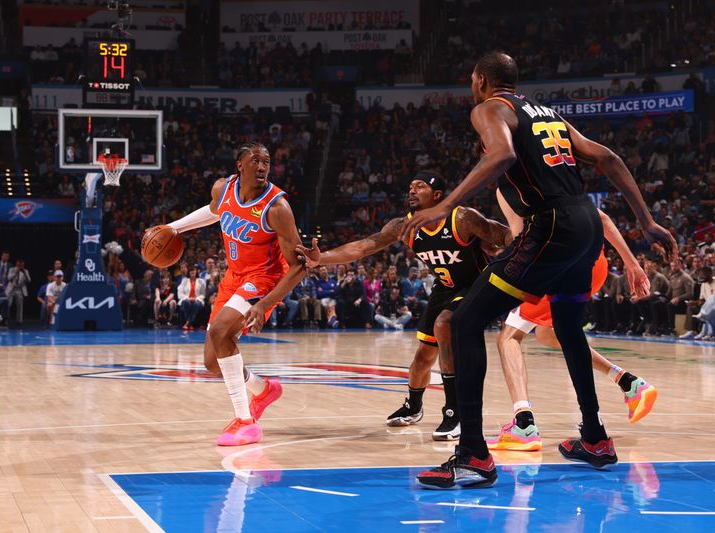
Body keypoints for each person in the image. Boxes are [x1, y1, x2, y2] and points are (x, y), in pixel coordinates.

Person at [402, 52, 676, 489]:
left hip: (550, 226)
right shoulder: (547, 113)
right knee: (567, 327)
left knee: (464, 320)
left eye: (472, 80)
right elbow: (607, 158)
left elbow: (502, 156)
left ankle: (473, 454)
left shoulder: (490, 108)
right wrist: (646, 221)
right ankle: (595, 438)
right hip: (586, 224)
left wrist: (445, 202)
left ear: (481, 80)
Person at [295, 172, 510, 440]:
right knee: (423, 357)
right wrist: (321, 259)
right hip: (444, 288)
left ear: (437, 195)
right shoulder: (405, 226)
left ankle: (455, 413)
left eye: (420, 186)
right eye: (410, 186)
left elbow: (504, 235)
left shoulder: (462, 218)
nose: (412, 190)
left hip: (475, 285)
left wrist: (511, 256)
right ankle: (414, 406)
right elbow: (364, 247)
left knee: (444, 325)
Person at [488, 192, 658, 452]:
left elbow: (520, 236)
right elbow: (601, 218)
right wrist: (631, 263)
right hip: (593, 263)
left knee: (509, 336)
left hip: (557, 264)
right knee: (549, 334)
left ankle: (524, 425)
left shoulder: (509, 182)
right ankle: (630, 383)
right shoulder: (554, 169)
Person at [165, 142, 305, 446]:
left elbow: (299, 266)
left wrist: (267, 302)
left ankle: (245, 423)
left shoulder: (277, 207)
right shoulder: (223, 189)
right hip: (234, 276)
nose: (262, 166)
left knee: (220, 330)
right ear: (239, 165)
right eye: (255, 160)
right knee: (212, 362)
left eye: (266, 161)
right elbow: (215, 211)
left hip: (265, 278)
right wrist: (173, 228)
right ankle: (263, 389)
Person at [178, 264, 206, 330]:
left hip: (198, 300)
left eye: (194, 271)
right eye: (191, 271)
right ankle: (190, 324)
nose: (192, 272)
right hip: (186, 299)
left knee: (195, 304)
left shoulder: (201, 281)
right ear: (189, 272)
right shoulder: (184, 281)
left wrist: (196, 298)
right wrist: (188, 298)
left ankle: (187, 323)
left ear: (196, 272)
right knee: (186, 303)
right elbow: (180, 292)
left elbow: (203, 294)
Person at [6, 259, 30, 327]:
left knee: (20, 305)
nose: (20, 266)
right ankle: (6, 319)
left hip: (19, 289)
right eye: (19, 264)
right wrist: (16, 272)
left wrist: (25, 273)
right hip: (11, 289)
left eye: (22, 265)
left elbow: (29, 280)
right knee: (8, 304)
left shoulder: (25, 271)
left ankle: (19, 321)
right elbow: (9, 278)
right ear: (16, 264)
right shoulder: (12, 269)